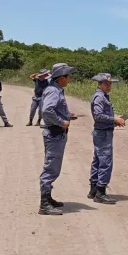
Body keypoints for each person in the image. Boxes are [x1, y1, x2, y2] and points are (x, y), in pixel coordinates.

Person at [38, 63, 77, 215]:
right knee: (51, 169)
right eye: (68, 76)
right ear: (61, 78)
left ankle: (48, 198)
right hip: (55, 134)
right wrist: (62, 122)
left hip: (56, 134)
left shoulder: (56, 90)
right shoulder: (54, 91)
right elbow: (47, 111)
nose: (70, 79)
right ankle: (44, 204)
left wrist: (67, 115)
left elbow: (53, 110)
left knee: (53, 167)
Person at [89, 73, 126, 204]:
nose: (109, 85)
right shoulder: (99, 97)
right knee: (105, 162)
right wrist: (114, 119)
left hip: (103, 131)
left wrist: (113, 121)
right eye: (107, 83)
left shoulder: (103, 96)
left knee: (98, 160)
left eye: (110, 83)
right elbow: (98, 116)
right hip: (103, 133)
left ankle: (93, 189)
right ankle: (100, 192)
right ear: (100, 84)